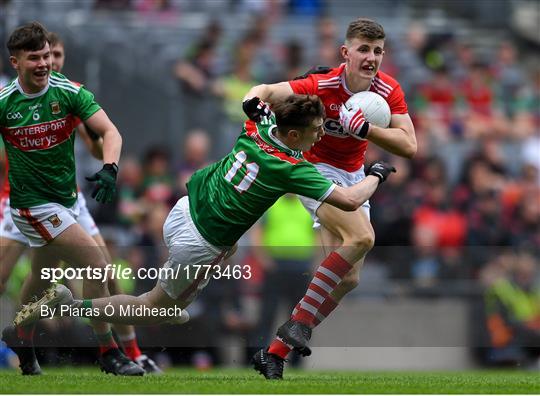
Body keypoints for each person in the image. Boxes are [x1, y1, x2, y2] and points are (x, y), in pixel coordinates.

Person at [13, 95, 396, 358]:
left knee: (189, 291)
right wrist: (377, 173)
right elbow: (349, 200)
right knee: (155, 308)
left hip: (183, 210)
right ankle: (71, 305)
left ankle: (161, 303)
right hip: (200, 242)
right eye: (315, 130)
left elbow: (252, 101)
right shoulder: (293, 169)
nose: (320, 135)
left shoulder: (259, 127)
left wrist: (267, 100)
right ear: (293, 135)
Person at [241, 18, 416, 378]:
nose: (371, 58)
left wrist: (368, 131)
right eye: (363, 49)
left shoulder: (388, 90)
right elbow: (265, 90)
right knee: (363, 237)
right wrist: (252, 103)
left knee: (348, 279)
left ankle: (275, 352)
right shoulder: (321, 85)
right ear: (345, 52)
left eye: (378, 51)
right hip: (316, 170)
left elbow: (410, 145)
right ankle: (294, 331)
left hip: (353, 173)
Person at [0, 31, 160, 374]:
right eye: (35, 58)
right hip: (32, 206)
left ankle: (21, 333)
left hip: (68, 202)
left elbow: (110, 132)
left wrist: (110, 168)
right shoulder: (4, 102)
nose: (44, 63)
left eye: (47, 56)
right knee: (98, 266)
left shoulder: (69, 91)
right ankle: (108, 352)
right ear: (15, 62)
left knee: (42, 276)